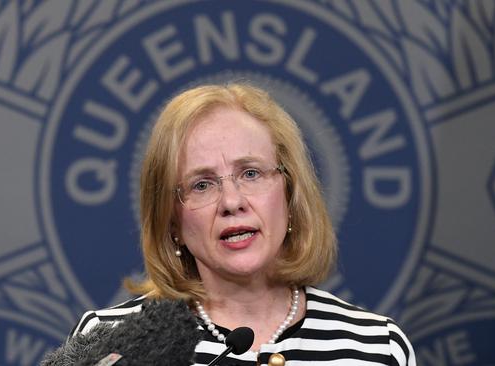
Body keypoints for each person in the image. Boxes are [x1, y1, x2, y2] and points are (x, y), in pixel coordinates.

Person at [69, 83, 417, 365]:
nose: (232, 202)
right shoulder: (112, 342)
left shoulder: (376, 347)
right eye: (201, 184)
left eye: (250, 173)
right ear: (171, 219)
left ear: (289, 193)